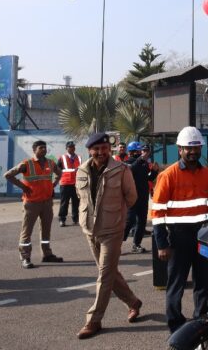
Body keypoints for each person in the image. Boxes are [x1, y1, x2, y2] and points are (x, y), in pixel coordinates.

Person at [74, 132, 142, 339]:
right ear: (89, 151)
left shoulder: (121, 170)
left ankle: (93, 321)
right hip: (89, 229)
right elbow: (81, 196)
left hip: (112, 230)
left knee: (104, 275)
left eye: (104, 148)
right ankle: (133, 302)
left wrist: (116, 215)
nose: (101, 152)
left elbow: (132, 197)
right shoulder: (81, 170)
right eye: (96, 149)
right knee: (109, 273)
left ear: (109, 149)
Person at [151, 126, 208, 333]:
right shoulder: (167, 175)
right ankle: (176, 327)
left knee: (202, 283)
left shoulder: (206, 174)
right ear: (180, 149)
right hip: (177, 237)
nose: (193, 152)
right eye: (188, 148)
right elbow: (158, 213)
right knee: (176, 285)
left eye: (196, 148)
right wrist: (161, 244)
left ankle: (201, 321)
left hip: (202, 237)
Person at [4, 140, 64, 269]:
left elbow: (60, 173)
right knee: (27, 231)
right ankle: (25, 257)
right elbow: (8, 175)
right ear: (34, 150)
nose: (44, 150)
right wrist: (23, 187)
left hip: (47, 203)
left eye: (45, 148)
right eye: (41, 148)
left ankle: (47, 254)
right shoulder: (27, 164)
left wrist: (53, 185)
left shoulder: (50, 163)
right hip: (31, 203)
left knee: (46, 230)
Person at [123, 142, 153, 254]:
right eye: (140, 151)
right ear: (132, 152)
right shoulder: (127, 162)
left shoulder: (144, 163)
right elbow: (131, 169)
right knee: (129, 221)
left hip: (143, 197)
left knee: (141, 222)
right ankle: (117, 243)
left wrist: (154, 171)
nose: (142, 153)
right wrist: (141, 159)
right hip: (132, 197)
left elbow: (148, 178)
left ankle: (136, 245)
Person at [56, 140, 81, 227]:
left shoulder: (79, 157)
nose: (72, 148)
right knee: (64, 203)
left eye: (73, 146)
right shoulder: (62, 158)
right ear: (66, 148)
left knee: (76, 203)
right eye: (70, 147)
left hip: (76, 184)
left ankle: (76, 219)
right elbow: (57, 170)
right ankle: (62, 220)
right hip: (65, 183)